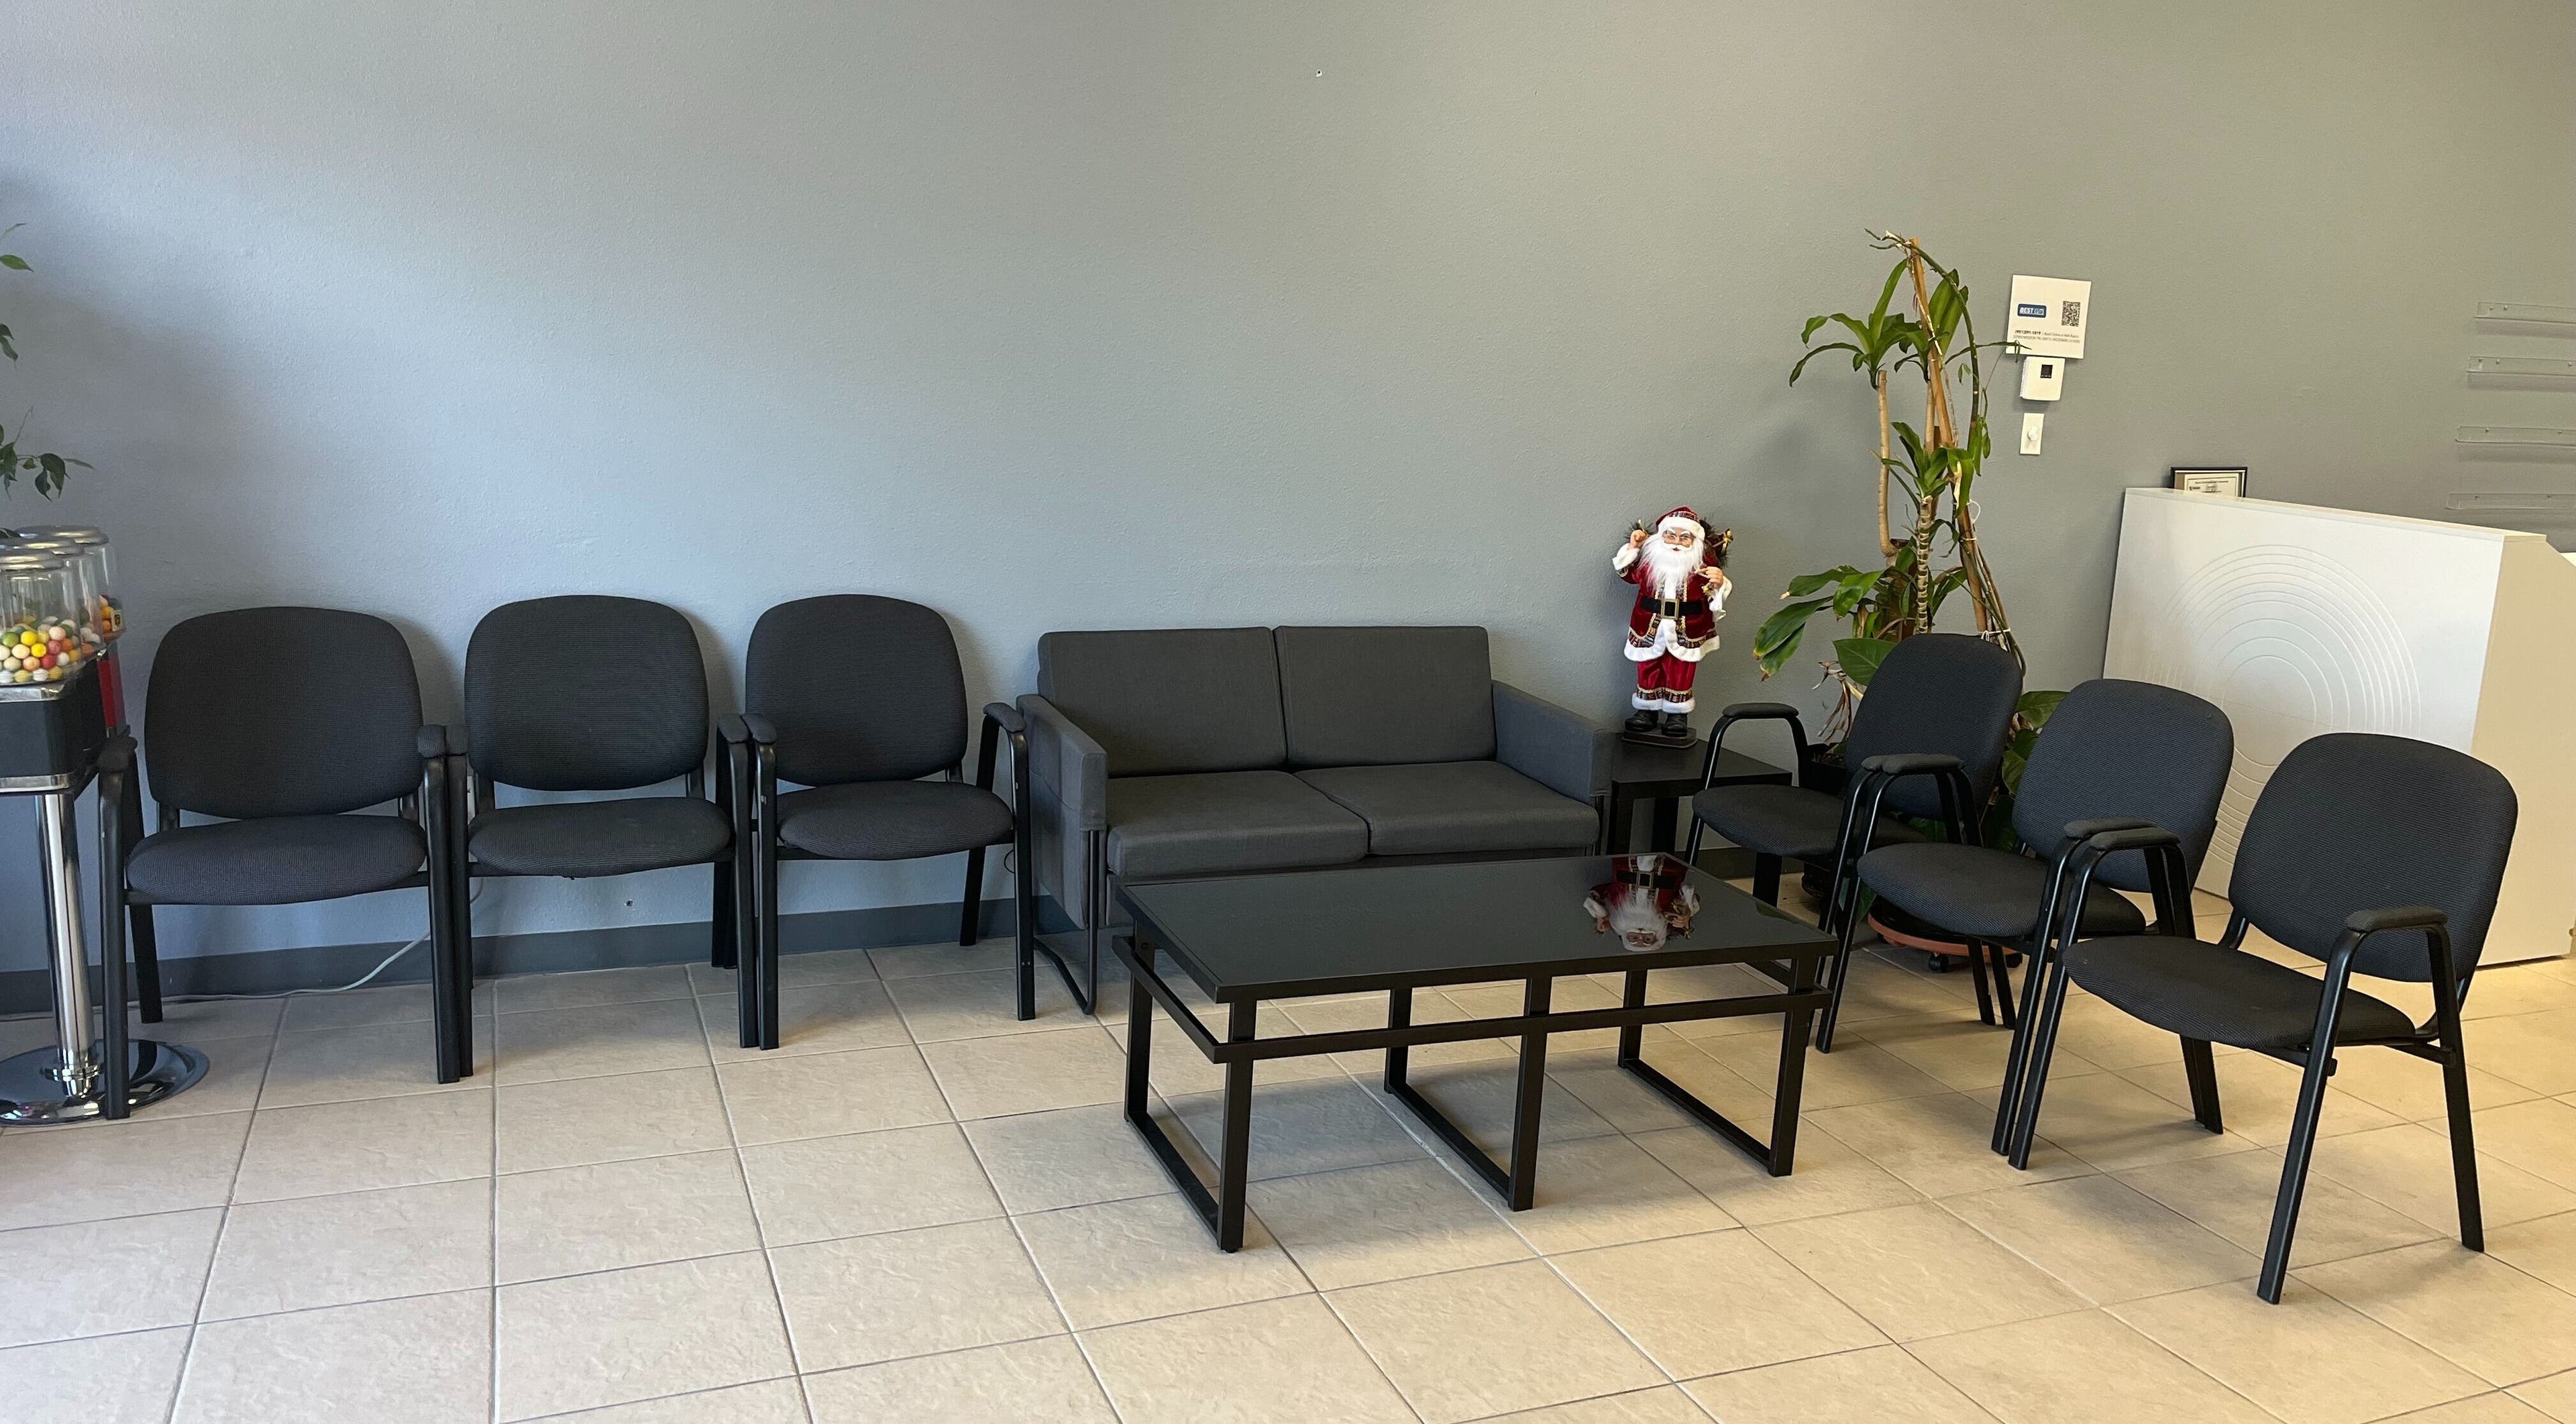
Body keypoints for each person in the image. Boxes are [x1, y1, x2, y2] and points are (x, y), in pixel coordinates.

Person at [1613, 506, 1731, 745]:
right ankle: (1647, 710)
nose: (1677, 542)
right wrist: (1634, 549)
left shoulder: (1701, 563)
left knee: (1681, 669)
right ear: (1662, 536)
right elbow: (1628, 574)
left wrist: (1719, 583)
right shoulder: (1649, 560)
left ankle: (1677, 715)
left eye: (1684, 537)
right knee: (1648, 666)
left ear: (1694, 540)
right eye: (1671, 535)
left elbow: (1713, 590)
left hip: (1688, 627)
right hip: (1648, 625)